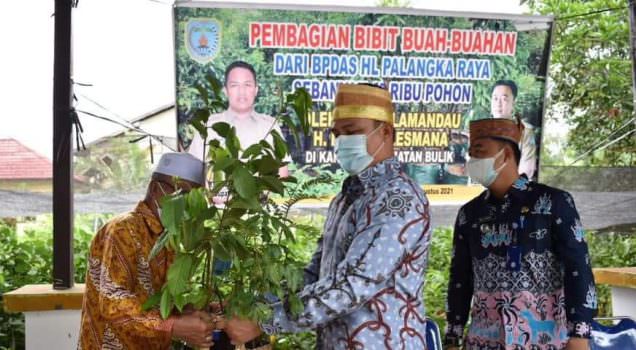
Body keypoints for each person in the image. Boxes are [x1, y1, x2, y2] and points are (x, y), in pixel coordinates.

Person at [224, 83, 432, 349]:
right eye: (338, 133)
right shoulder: (346, 197)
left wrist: (264, 321)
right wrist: (256, 303)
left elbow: (354, 283)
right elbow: (314, 275)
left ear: (387, 132)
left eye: (352, 132)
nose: (342, 141)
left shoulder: (399, 199)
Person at [444, 118, 596, 350]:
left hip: (543, 342)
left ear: (505, 155)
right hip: (484, 342)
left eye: (479, 152)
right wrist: (453, 338)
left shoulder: (552, 201)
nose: (471, 160)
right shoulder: (469, 214)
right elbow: (460, 279)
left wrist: (580, 335)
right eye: (470, 153)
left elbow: (579, 267)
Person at [78, 153, 217, 350]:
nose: (186, 205)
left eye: (194, 197)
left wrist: (194, 310)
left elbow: (162, 300)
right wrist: (173, 326)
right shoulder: (123, 229)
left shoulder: (171, 238)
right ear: (154, 188)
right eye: (181, 193)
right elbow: (112, 301)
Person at [187, 60, 289, 178]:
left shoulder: (270, 126)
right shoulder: (208, 126)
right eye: (235, 85)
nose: (241, 91)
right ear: (225, 91)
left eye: (247, 85)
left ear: (256, 90)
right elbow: (192, 173)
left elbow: (282, 174)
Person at [491, 79, 538, 180]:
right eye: (495, 98)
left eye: (504, 99)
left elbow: (527, 172)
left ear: (513, 102)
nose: (498, 104)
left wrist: (513, 193)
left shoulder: (525, 132)